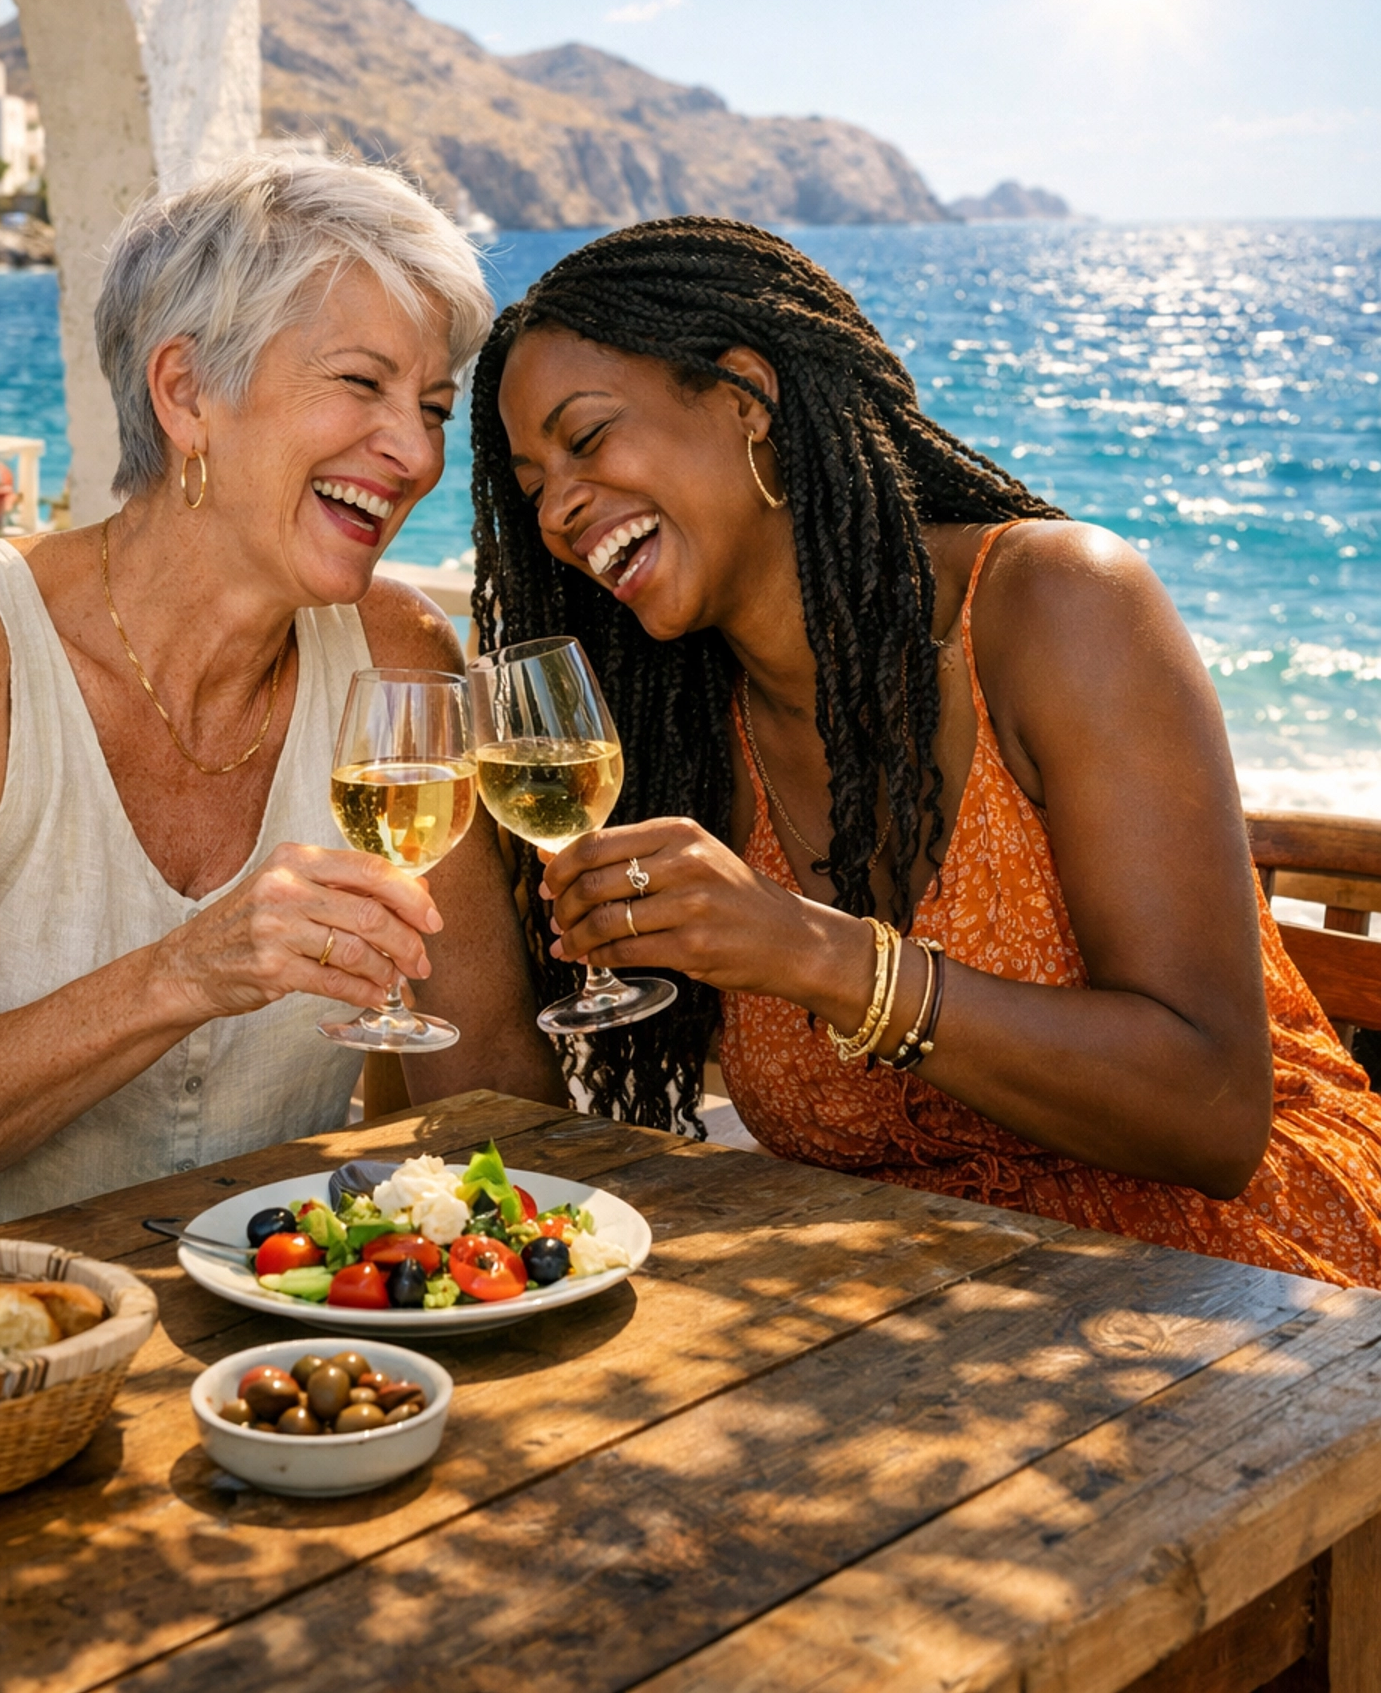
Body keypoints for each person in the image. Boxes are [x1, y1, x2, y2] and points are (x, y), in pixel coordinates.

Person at [470, 216, 1381, 1288]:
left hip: (1253, 1301)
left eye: (586, 439)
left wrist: (819, 956)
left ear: (747, 398)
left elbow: (1214, 1116)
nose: (558, 514)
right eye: (531, 487)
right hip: (926, 1315)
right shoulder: (675, 745)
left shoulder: (1055, 607)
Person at [0, 152, 563, 1232]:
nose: (415, 451)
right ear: (186, 392)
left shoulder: (397, 655)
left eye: (431, 405)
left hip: (296, 1348)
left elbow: (488, 1078)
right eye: (362, 384)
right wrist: (183, 974)